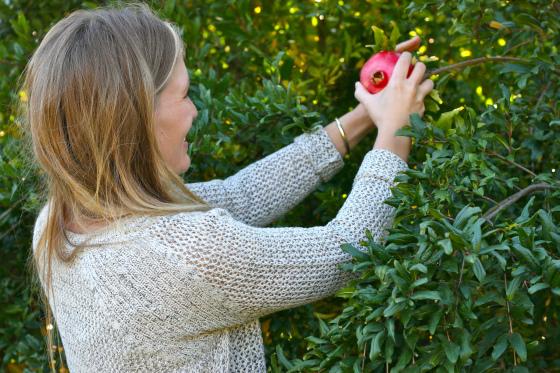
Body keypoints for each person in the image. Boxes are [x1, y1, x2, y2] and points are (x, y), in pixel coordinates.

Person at [23, 3, 433, 372]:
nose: (195, 110)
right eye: (183, 95)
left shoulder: (57, 223)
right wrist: (397, 131)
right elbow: (345, 251)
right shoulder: (178, 253)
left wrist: (367, 114)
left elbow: (243, 195)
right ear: (134, 119)